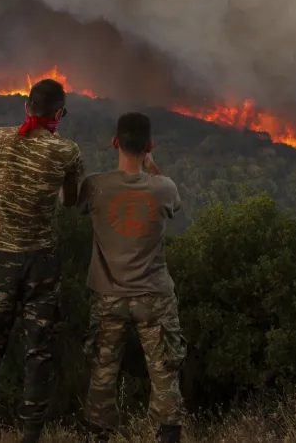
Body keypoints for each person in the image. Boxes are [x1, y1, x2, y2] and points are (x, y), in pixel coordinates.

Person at [0, 78, 85, 443]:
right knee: (39, 354)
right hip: (42, 266)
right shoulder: (67, 152)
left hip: (0, 263)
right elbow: (70, 201)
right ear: (58, 113)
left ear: (27, 108)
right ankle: (30, 436)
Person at [76, 112, 187, 443]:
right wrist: (152, 167)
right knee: (165, 372)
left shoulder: (95, 186)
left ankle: (98, 435)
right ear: (149, 146)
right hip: (154, 297)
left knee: (102, 373)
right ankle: (168, 436)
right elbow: (174, 204)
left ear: (114, 143)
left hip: (108, 296)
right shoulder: (163, 187)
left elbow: (71, 203)